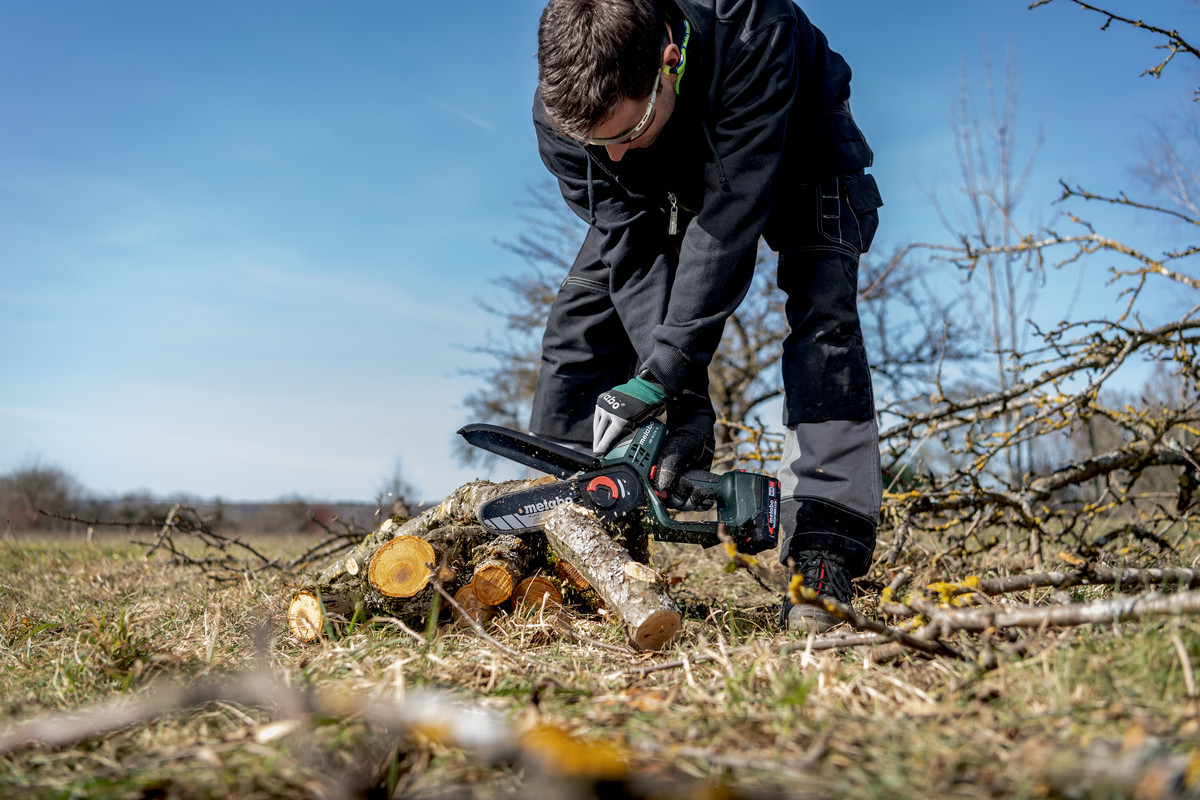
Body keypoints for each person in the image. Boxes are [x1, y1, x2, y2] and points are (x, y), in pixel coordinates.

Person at [528, 0, 883, 632]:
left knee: (824, 319)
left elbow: (728, 225)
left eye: (623, 135)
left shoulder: (750, 27)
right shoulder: (570, 111)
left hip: (797, 139)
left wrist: (670, 366)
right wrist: (675, 394)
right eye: (594, 144)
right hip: (670, 169)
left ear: (670, 60)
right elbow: (629, 243)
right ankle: (566, 540)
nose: (609, 158)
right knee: (579, 327)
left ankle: (825, 547)